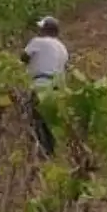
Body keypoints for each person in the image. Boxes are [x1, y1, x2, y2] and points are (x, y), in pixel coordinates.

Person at [21, 16, 69, 158]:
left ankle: (39, 154)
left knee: (36, 121)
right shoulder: (62, 47)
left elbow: (23, 57)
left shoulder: (38, 42)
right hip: (56, 89)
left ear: (46, 29)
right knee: (49, 123)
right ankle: (50, 153)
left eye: (41, 28)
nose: (39, 30)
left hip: (40, 85)